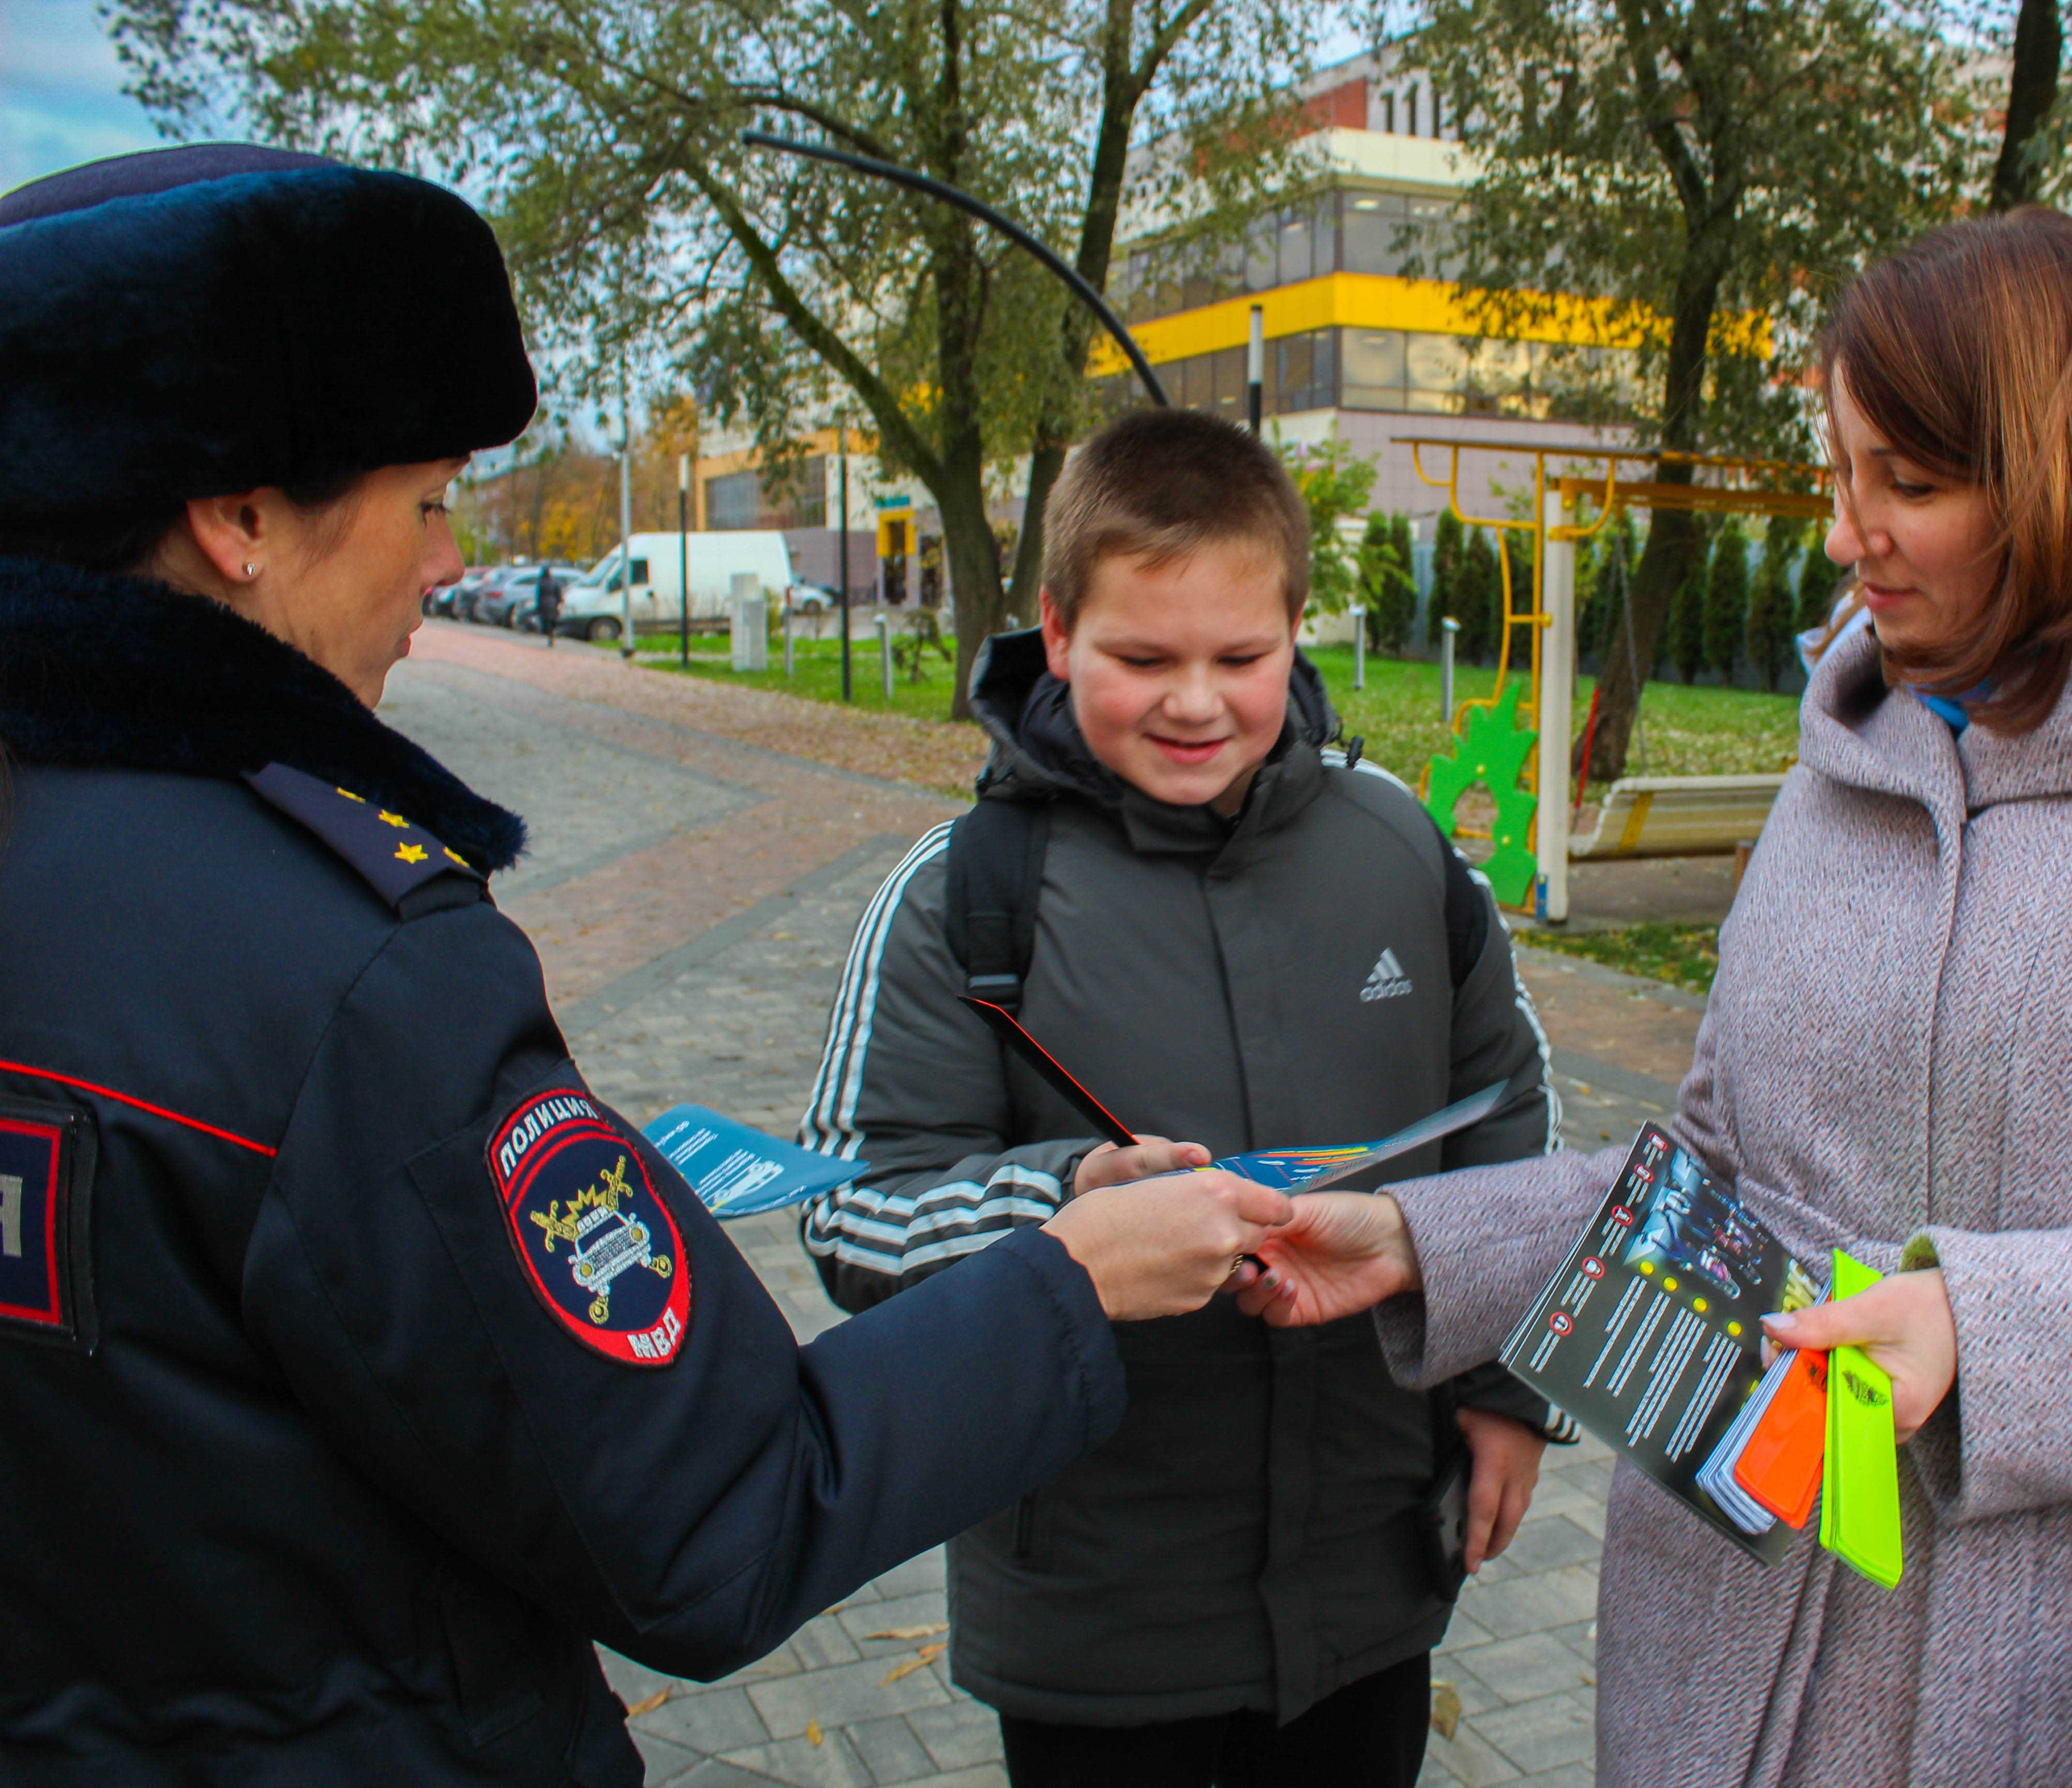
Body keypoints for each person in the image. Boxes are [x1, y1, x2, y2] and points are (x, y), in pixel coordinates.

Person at [0, 145, 1287, 1786]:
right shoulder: (355, 974)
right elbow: (714, 1512)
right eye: (428, 500)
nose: (448, 565)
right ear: (241, 515)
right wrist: (1078, 1279)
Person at [1226, 208, 2072, 1787]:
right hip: (1717, 1645)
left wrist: (1991, 1332)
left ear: (2071, 474)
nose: (1846, 536)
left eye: (1912, 484)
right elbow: (1716, 1181)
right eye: (1841, 475)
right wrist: (1424, 1241)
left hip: (2038, 1684)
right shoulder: (1847, 772)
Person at [798, 406, 1560, 1788]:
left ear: (1297, 627)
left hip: (1372, 1579)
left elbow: (1507, 1113)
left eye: (1242, 657)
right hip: (1097, 1616)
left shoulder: (1398, 848)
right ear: (1057, 625)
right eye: (1143, 657)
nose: (1196, 701)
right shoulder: (961, 898)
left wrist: (1508, 1388)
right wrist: (1063, 1212)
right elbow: (852, 1222)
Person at [536, 560, 562, 645]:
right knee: (553, 620)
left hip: (544, 603)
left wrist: (538, 607)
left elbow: (539, 596)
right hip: (553, 603)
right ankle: (552, 634)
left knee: (546, 621)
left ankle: (549, 634)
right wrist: (558, 603)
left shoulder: (541, 583)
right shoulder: (554, 582)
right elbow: (559, 594)